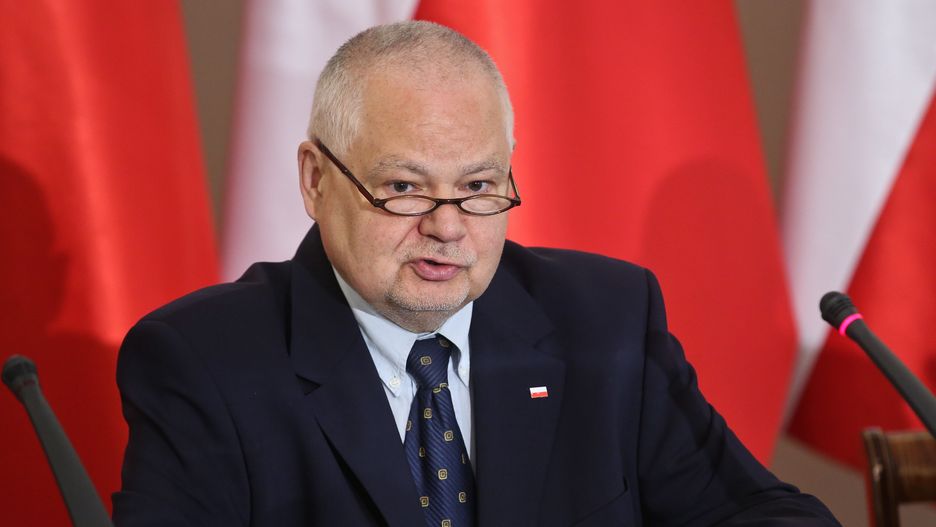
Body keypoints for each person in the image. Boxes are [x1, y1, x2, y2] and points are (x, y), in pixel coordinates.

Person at [113, 21, 839, 527]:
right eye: (404, 188)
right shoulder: (205, 361)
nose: (449, 226)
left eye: (479, 187)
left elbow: (763, 512)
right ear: (315, 180)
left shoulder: (606, 322)